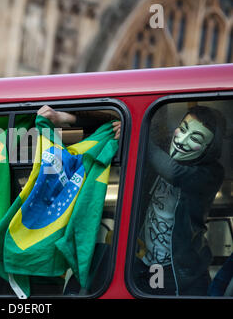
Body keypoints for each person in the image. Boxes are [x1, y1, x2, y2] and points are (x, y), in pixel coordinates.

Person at [38, 105, 226, 296]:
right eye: (183, 129)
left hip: (180, 272)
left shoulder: (212, 173)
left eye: (195, 138)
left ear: (208, 149)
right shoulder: (159, 146)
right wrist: (64, 117)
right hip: (141, 262)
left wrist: (136, 134)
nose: (183, 140)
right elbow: (116, 121)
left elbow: (174, 173)